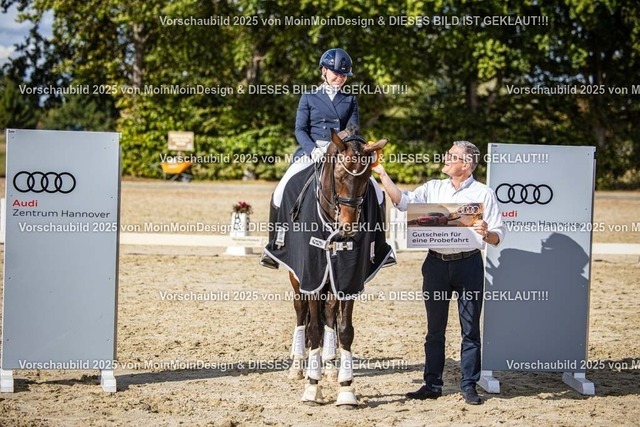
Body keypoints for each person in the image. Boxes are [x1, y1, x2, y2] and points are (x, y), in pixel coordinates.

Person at [372, 141, 506, 405]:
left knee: (470, 330)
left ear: (466, 164)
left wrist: (486, 233)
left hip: (469, 265)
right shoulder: (432, 187)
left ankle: (469, 386)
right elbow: (402, 203)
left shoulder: (484, 193)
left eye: (452, 156)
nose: (445, 157)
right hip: (435, 265)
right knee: (434, 330)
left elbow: (498, 235)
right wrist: (382, 173)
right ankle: (432, 385)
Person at [260, 47, 360, 269]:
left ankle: (378, 247)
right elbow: (300, 129)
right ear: (324, 71)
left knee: (375, 191)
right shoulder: (309, 96)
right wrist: (313, 149)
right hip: (311, 151)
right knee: (280, 190)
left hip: (340, 152)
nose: (340, 78)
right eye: (336, 73)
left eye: (344, 75)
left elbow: (353, 128)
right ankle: (275, 245)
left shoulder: (350, 99)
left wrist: (339, 147)